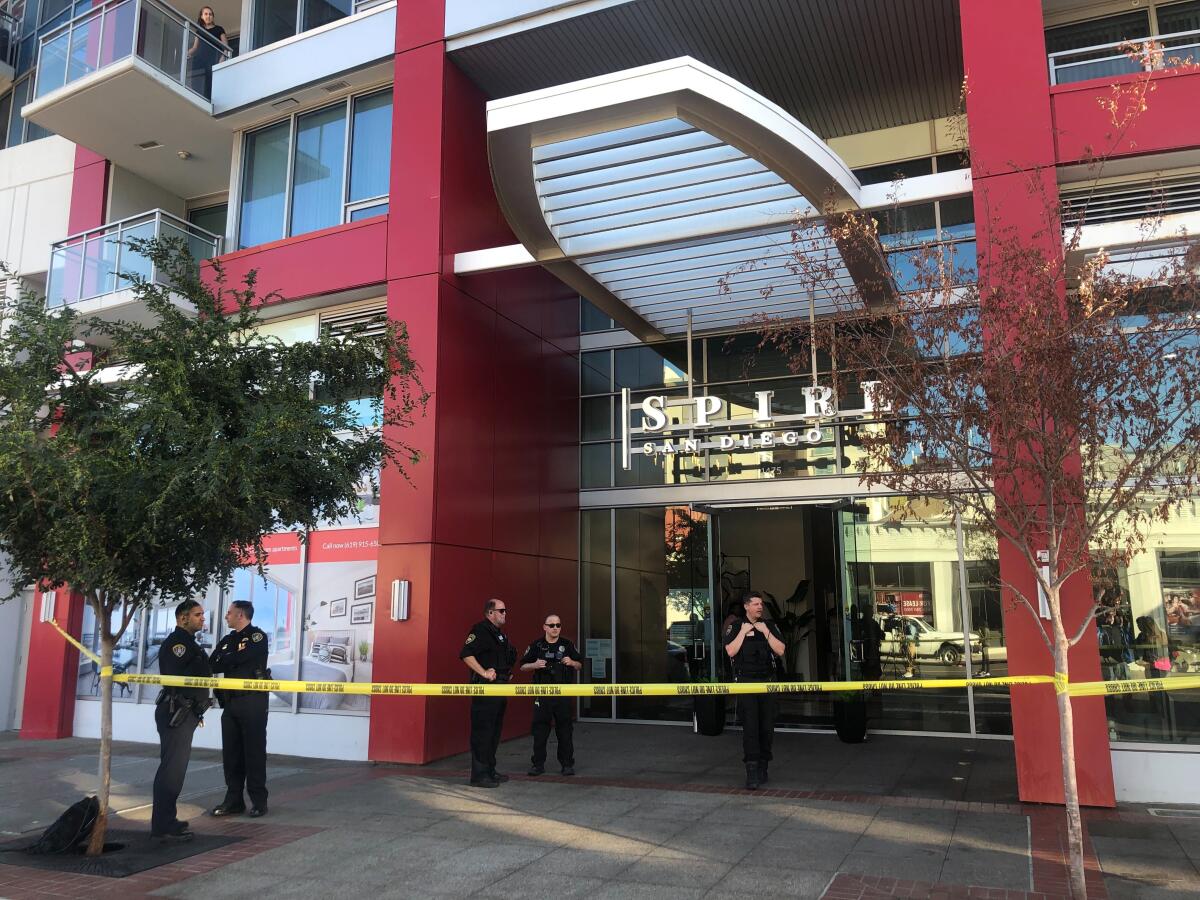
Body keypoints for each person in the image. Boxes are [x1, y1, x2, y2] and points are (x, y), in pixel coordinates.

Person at [151, 599, 213, 843]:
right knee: (171, 770)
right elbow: (179, 678)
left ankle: (167, 820)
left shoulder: (190, 643)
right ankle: (162, 825)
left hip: (185, 713)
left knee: (176, 770)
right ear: (183, 618)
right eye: (198, 615)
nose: (202, 619)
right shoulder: (178, 644)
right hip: (176, 712)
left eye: (202, 615)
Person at [208, 600, 270, 818]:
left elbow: (242, 657)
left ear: (241, 615)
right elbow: (213, 663)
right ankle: (233, 800)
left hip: (252, 701)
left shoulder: (257, 636)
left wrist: (228, 660)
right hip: (231, 703)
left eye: (229, 613)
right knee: (232, 754)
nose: (226, 616)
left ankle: (258, 801)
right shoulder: (227, 639)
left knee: (253, 752)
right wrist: (230, 660)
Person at [724, 590, 786, 790]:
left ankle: (763, 767)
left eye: (761, 604)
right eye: (756, 604)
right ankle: (751, 771)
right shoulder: (735, 626)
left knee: (766, 727)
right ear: (746, 606)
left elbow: (781, 650)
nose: (760, 607)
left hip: (767, 682)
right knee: (750, 727)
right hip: (746, 683)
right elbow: (730, 651)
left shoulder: (768, 625)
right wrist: (743, 632)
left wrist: (765, 632)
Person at [459, 598, 516, 788]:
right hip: (485, 690)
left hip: (500, 689)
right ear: (490, 613)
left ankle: (490, 770)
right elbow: (466, 654)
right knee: (482, 733)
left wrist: (505, 674)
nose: (505, 613)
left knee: (494, 732)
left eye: (505, 610)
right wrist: (483, 672)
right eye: (501, 610)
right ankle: (479, 775)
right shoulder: (480, 631)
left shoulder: (499, 635)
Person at [519, 614, 583, 776]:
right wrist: (535, 664)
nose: (555, 628)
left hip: (563, 695)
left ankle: (567, 764)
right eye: (552, 625)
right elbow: (522, 666)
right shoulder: (537, 645)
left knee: (565, 731)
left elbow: (580, 664)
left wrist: (572, 662)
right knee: (540, 731)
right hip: (543, 695)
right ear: (545, 627)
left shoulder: (567, 645)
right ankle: (538, 764)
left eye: (558, 625)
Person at [187, 6, 228, 98]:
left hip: (213, 59)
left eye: (210, 14)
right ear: (201, 16)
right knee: (197, 81)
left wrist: (222, 57)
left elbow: (226, 47)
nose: (208, 16)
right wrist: (187, 53)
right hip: (200, 60)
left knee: (210, 82)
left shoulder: (219, 29)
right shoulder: (199, 30)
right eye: (206, 14)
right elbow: (195, 47)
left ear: (213, 17)